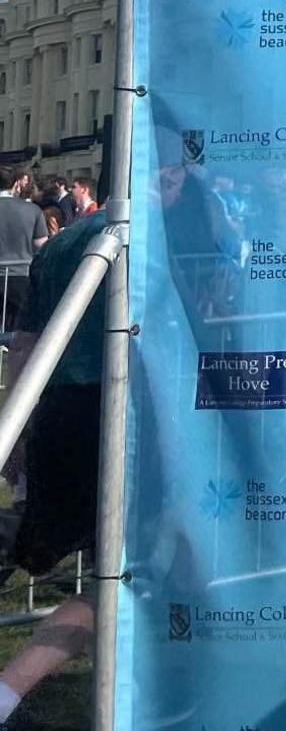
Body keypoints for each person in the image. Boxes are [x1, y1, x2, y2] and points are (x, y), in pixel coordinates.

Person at [0, 209, 113, 724]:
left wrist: (18, 426)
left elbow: (22, 347)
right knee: (130, 574)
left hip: (57, 411)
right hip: (119, 415)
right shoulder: (149, 234)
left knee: (52, 548)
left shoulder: (63, 242)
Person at [0, 167, 43, 332]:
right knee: (18, 330)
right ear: (16, 184)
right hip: (21, 274)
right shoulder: (32, 210)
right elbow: (41, 244)